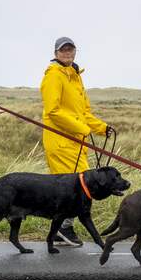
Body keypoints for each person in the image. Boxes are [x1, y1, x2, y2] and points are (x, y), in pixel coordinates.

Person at [40, 36, 113, 246]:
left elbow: (83, 112)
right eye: (63, 50)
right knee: (77, 187)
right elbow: (53, 112)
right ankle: (63, 228)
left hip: (75, 142)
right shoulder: (54, 76)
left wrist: (101, 128)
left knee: (77, 187)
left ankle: (61, 230)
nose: (67, 53)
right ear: (56, 53)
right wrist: (82, 129)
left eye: (70, 50)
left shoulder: (75, 76)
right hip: (60, 141)